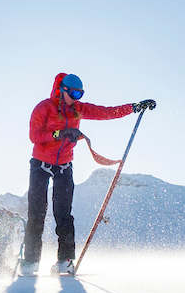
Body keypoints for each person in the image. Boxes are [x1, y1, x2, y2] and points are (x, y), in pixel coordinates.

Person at [19, 73, 155, 276]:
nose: (77, 98)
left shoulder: (78, 109)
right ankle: (30, 262)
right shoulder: (44, 107)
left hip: (64, 165)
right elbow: (34, 136)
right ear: (62, 89)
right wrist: (59, 134)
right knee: (37, 212)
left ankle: (65, 261)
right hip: (40, 165)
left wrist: (134, 108)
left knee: (63, 214)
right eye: (73, 93)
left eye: (80, 94)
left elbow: (106, 112)